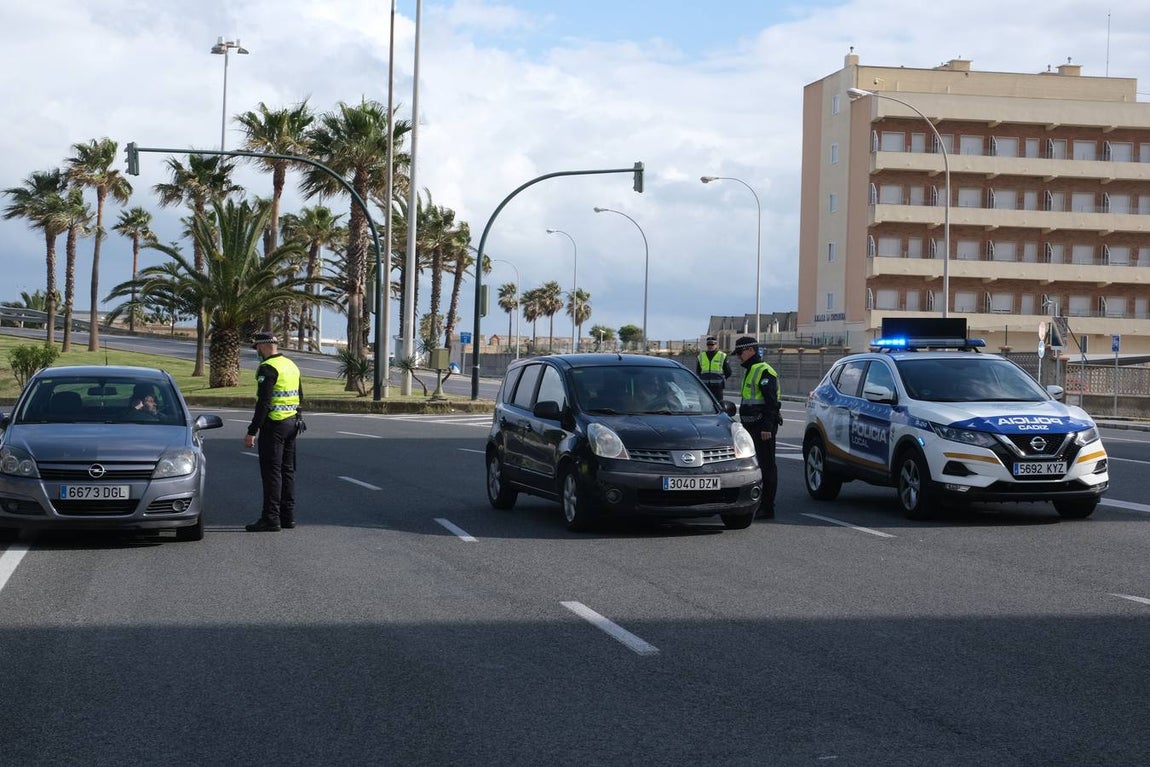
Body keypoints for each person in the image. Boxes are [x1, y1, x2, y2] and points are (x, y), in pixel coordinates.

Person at [244, 332, 304, 532]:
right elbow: (300, 396)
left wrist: (252, 431)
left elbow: (264, 403)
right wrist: (297, 417)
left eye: (257, 348)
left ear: (262, 346)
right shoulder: (291, 365)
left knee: (272, 473)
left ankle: (271, 518)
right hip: (292, 423)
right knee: (287, 471)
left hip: (274, 426)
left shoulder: (268, 368)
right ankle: (288, 517)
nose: (257, 352)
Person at [732, 336, 781, 520]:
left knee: (767, 466)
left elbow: (772, 403)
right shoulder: (751, 370)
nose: (738, 357)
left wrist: (767, 426)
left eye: (740, 352)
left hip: (762, 428)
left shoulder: (764, 371)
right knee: (753, 466)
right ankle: (756, 502)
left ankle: (767, 507)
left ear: (751, 350)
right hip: (750, 426)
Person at [696, 336, 731, 401]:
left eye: (712, 344)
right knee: (705, 403)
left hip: (717, 386)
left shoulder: (722, 355)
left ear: (716, 345)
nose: (710, 346)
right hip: (705, 385)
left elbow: (728, 371)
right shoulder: (701, 356)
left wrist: (723, 379)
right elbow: (698, 371)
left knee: (718, 403)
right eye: (708, 344)